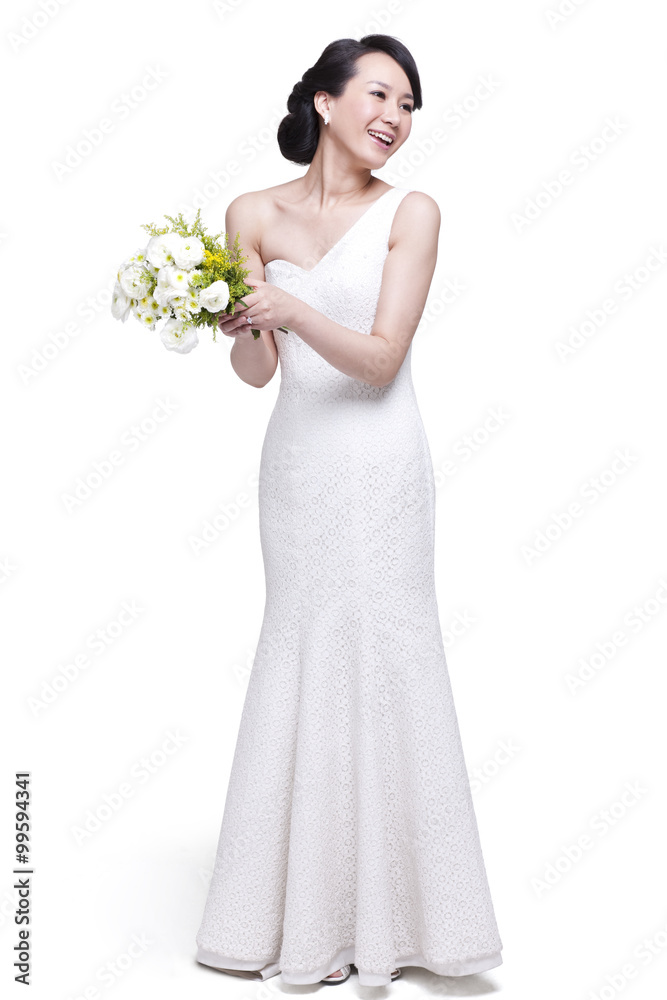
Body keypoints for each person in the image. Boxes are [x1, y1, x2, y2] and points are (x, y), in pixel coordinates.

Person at [195, 33, 503, 987]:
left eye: (408, 106)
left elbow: (377, 360)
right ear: (324, 103)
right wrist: (239, 323)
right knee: (301, 644)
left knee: (387, 653)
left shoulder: (413, 211)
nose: (395, 118)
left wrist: (291, 312)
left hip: (379, 465)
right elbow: (256, 375)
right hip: (296, 468)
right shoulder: (251, 212)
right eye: (380, 94)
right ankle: (294, 920)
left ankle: (404, 926)